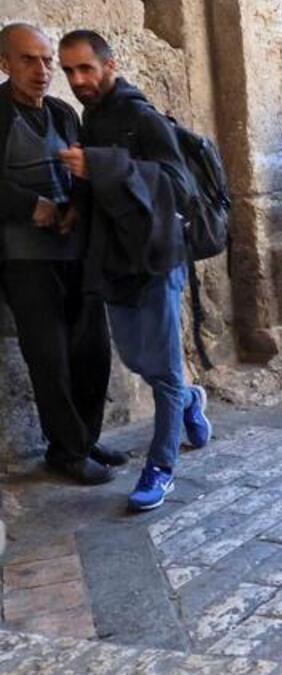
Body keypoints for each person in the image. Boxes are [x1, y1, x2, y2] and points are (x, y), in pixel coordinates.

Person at [58, 29, 211, 510]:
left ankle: (161, 467)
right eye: (69, 71)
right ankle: (189, 400)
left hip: (157, 257)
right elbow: (100, 185)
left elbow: (176, 185)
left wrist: (100, 164)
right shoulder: (92, 117)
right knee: (137, 359)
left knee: (163, 370)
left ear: (109, 64)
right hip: (114, 260)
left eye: (85, 68)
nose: (77, 79)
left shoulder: (141, 116)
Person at [0, 23, 121, 485]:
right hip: (25, 259)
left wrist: (74, 207)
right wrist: (32, 206)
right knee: (49, 357)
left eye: (47, 60)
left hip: (74, 249)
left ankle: (86, 440)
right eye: (29, 59)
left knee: (93, 349)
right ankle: (66, 452)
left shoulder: (63, 113)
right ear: (5, 63)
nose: (42, 69)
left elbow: (81, 170)